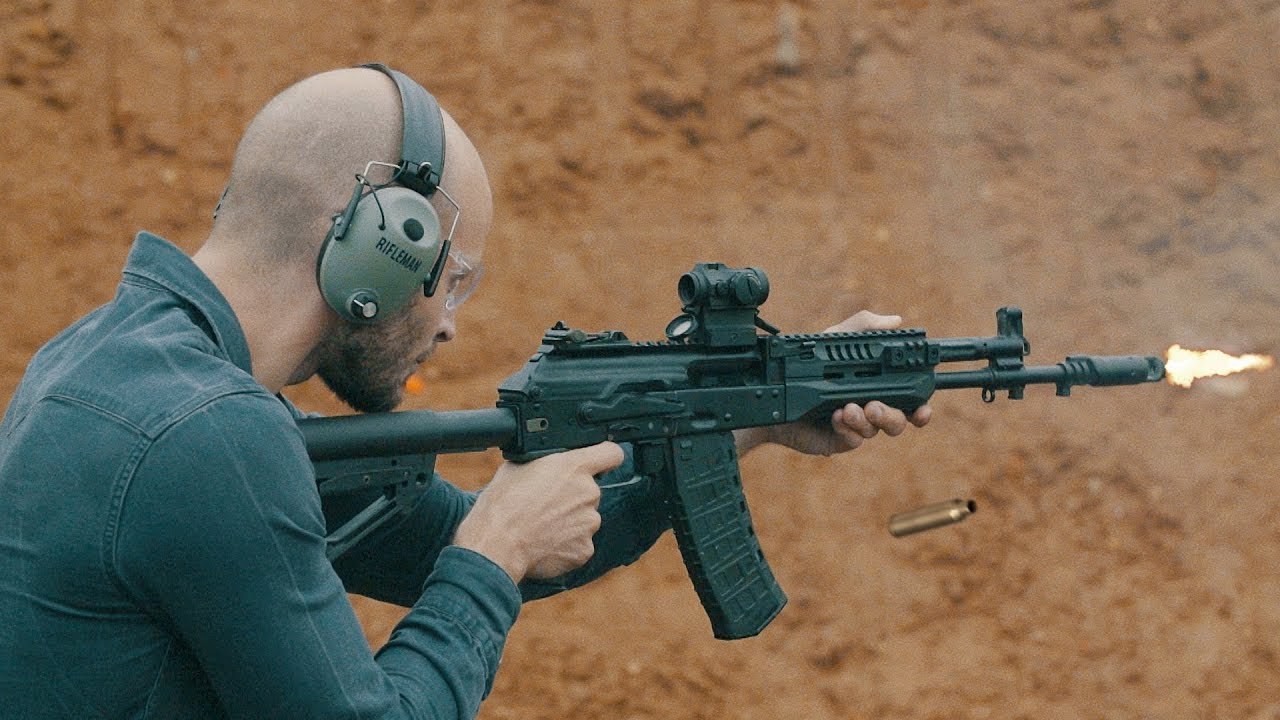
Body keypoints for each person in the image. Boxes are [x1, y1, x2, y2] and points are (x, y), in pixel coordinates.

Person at [0, 65, 929, 719]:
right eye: (452, 281)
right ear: (384, 246)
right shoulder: (210, 438)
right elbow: (473, 561)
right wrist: (494, 556)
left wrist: (736, 425)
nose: (446, 323)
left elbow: (452, 540)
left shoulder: (116, 369)